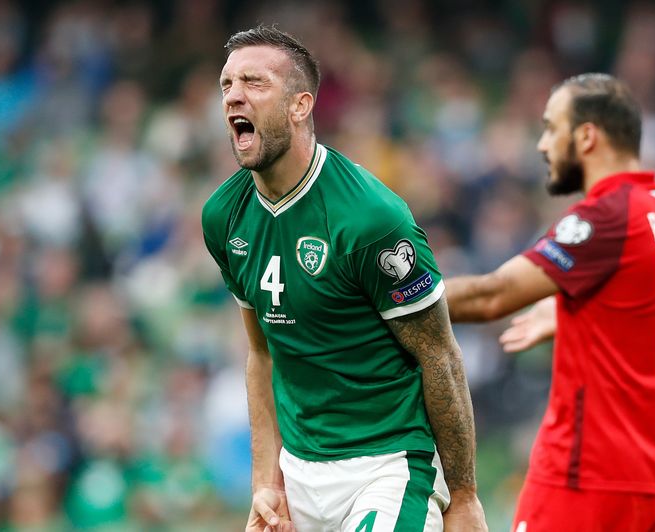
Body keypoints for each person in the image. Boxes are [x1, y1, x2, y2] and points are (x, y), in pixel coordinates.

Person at [201, 26, 487, 532]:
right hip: (300, 473)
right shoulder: (224, 216)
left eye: (254, 82)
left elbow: (439, 355)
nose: (234, 97)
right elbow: (262, 353)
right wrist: (266, 484)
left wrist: (464, 497)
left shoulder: (371, 218)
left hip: (387, 466)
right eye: (226, 85)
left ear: (300, 106)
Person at [446, 73, 655, 531]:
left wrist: (384, 299)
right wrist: (570, 312)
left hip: (586, 476)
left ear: (586, 136)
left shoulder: (605, 216)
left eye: (551, 128)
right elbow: (639, 304)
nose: (543, 145)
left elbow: (492, 296)